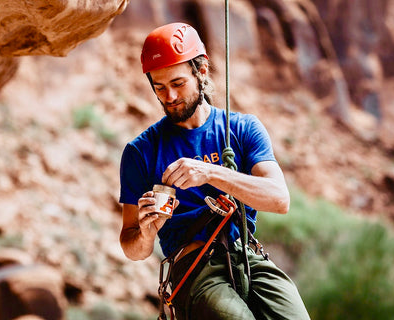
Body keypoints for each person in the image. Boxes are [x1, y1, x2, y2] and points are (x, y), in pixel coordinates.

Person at [119, 22, 310, 320]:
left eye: (178, 83)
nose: (168, 96)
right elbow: (133, 248)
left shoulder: (243, 129)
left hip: (247, 256)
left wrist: (210, 173)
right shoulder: (140, 152)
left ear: (202, 70)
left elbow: (279, 199)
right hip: (194, 268)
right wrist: (145, 233)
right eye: (159, 87)